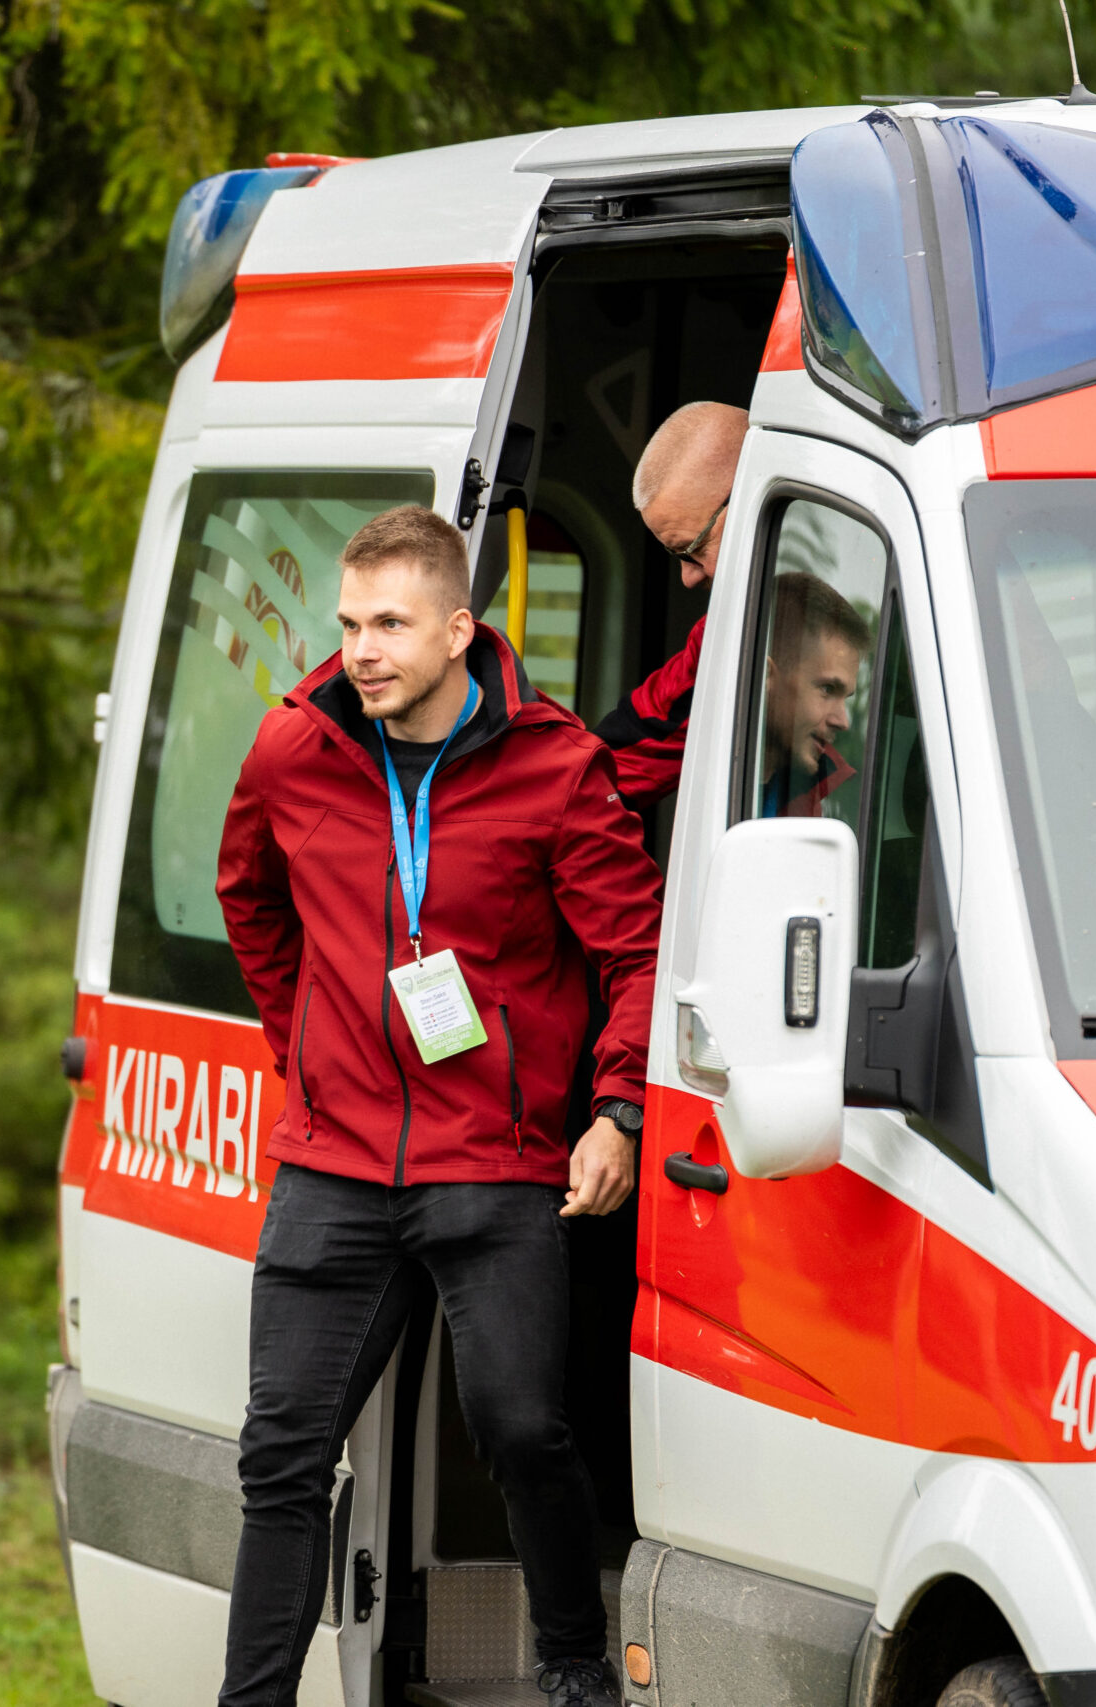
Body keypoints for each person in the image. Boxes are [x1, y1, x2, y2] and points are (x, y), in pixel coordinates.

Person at [216, 505, 662, 1707]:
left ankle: (571, 1666)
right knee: (280, 1458)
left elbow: (635, 952)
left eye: (391, 625)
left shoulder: (555, 767)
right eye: (349, 624)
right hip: (333, 1163)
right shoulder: (292, 747)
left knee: (521, 1431)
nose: (362, 651)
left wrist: (616, 1110)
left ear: (460, 630)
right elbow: (248, 898)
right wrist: (306, 1045)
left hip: (494, 1161)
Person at [596, 400, 748, 807]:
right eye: (676, 556)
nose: (688, 577)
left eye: (693, 549)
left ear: (750, 505)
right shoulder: (719, 641)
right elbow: (623, 756)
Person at [756, 570, 870, 818]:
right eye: (827, 689)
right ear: (766, 676)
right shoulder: (691, 765)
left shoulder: (806, 795)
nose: (843, 721)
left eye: (846, 698)